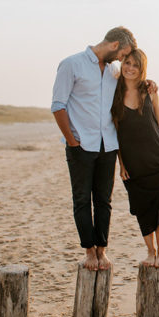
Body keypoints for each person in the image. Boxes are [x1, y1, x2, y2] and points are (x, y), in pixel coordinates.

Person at [51, 26, 136, 271]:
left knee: (103, 200)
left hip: (107, 145)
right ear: (114, 46)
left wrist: (148, 83)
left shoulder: (113, 72)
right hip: (81, 145)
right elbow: (58, 106)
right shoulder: (71, 64)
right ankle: (89, 252)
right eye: (122, 55)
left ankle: (102, 250)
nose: (122, 61)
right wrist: (72, 142)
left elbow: (131, 83)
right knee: (81, 199)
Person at [112, 48, 159, 268]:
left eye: (135, 65)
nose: (130, 68)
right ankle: (150, 252)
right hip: (133, 162)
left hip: (157, 158)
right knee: (141, 208)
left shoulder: (149, 91)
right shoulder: (115, 93)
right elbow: (116, 132)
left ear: (142, 69)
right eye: (127, 63)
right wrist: (121, 164)